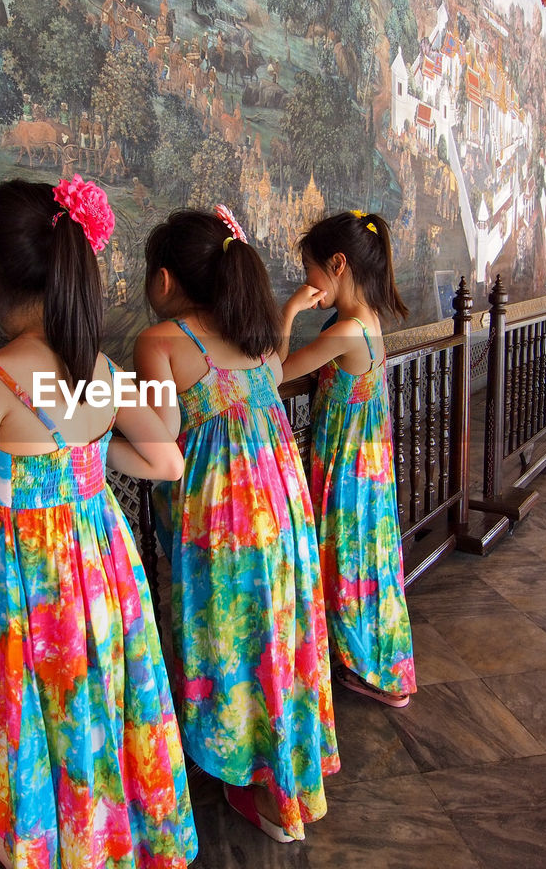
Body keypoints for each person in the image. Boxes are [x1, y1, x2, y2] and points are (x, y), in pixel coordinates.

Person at [0, 177, 197, 869]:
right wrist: (87, 457)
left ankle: (34, 853)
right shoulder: (101, 374)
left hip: (26, 595)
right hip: (103, 579)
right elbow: (168, 461)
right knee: (90, 725)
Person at [133, 206, 338, 845]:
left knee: (231, 645)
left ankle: (251, 782)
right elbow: (273, 380)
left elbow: (160, 442)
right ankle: (290, 784)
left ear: (163, 280)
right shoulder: (250, 337)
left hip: (219, 528)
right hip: (283, 516)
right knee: (278, 639)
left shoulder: (160, 342)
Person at [279, 209, 416, 708]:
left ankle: (372, 669)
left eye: (310, 270)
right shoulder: (366, 320)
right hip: (368, 466)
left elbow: (272, 373)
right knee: (370, 564)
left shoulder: (345, 332)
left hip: (347, 469)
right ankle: (381, 664)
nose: (307, 281)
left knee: (349, 565)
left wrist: (290, 311)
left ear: (337, 264)